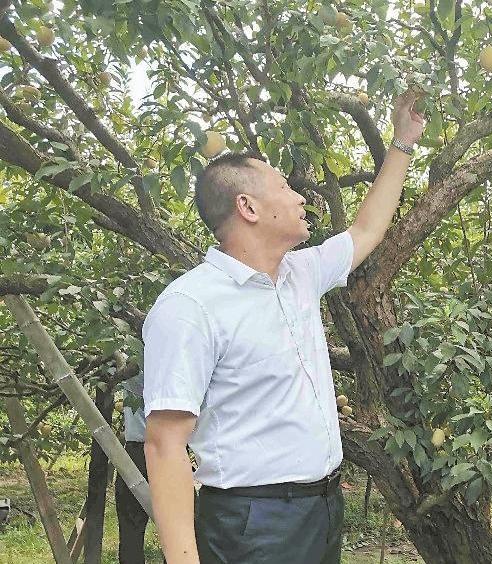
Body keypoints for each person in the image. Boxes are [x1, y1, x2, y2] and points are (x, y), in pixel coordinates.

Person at [142, 92, 425, 564]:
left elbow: (366, 230)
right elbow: (165, 444)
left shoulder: (299, 274)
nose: (299, 196)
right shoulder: (190, 306)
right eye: (284, 187)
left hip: (322, 508)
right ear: (248, 207)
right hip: (252, 522)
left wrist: (403, 142)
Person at [115, 373, 150, 564]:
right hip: (169, 450)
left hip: (136, 452)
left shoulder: (132, 362)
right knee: (182, 526)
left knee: (131, 529)